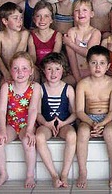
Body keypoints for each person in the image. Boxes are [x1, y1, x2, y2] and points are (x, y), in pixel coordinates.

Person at [0, 52, 41, 188]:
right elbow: (1, 111)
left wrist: (30, 130)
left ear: (31, 71)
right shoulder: (6, 87)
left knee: (27, 141)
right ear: (10, 71)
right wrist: (2, 130)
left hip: (27, 123)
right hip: (11, 124)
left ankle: (30, 175)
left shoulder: (35, 87)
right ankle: (3, 174)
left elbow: (32, 110)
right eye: (15, 68)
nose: (20, 72)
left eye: (24, 68)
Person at [75, 45, 112, 188]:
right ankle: (83, 171)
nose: (97, 67)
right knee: (82, 132)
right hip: (88, 118)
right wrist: (91, 123)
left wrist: (102, 124)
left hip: (108, 118)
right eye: (93, 63)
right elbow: (80, 111)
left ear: (108, 66)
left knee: (110, 133)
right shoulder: (82, 84)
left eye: (102, 63)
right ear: (88, 64)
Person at [35, 52, 77, 188]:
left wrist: (64, 123)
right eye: (49, 69)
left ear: (63, 70)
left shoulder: (68, 89)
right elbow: (37, 113)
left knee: (71, 135)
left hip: (65, 124)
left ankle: (64, 173)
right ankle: (54, 175)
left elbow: (76, 113)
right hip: (47, 124)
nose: (53, 73)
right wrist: (46, 123)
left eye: (57, 69)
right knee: (39, 136)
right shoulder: (40, 89)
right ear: (43, 70)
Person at [64, 0, 102, 83]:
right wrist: (78, 78)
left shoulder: (95, 32)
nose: (80, 13)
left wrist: (70, 44)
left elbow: (89, 53)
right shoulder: (71, 32)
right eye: (77, 10)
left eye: (85, 10)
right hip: (75, 71)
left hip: (92, 72)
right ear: (72, 14)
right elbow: (72, 58)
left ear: (92, 14)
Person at [0, 2, 30, 81]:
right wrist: (5, 73)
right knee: (4, 83)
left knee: (35, 73)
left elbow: (18, 55)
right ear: (5, 21)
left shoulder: (24, 34)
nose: (19, 21)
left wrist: (13, 72)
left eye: (21, 18)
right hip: (5, 70)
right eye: (15, 18)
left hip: (20, 70)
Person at [27, 1, 63, 68]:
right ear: (34, 19)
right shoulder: (32, 37)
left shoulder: (57, 36)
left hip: (52, 68)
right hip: (37, 68)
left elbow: (54, 59)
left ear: (51, 19)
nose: (42, 19)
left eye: (46, 16)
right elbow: (32, 59)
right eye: (38, 16)